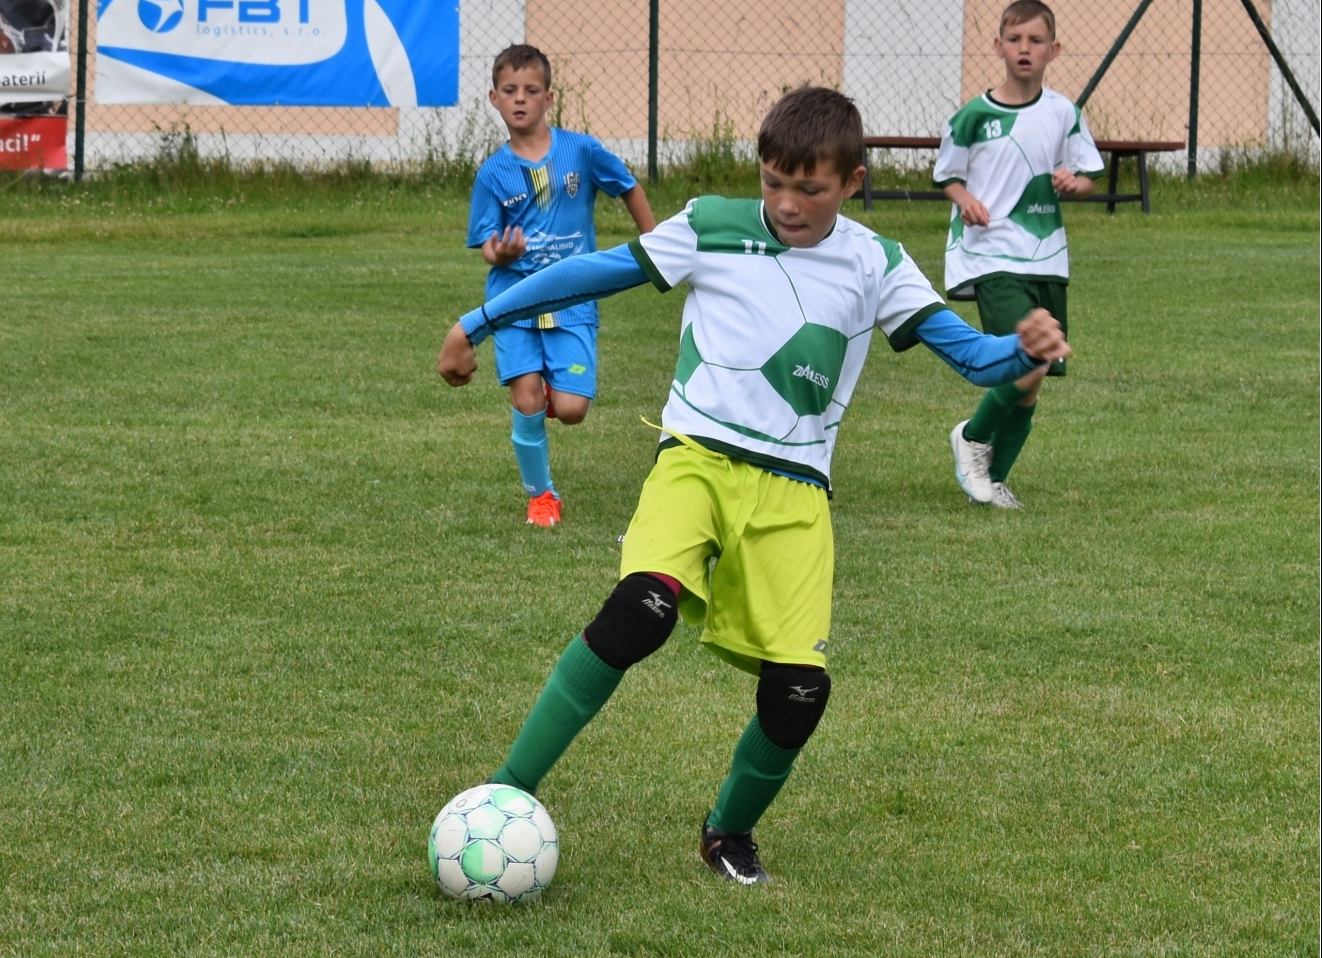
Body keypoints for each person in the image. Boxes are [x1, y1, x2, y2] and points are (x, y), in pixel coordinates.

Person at [436, 86, 1070, 885]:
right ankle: (506, 791)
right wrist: (475, 323)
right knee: (639, 612)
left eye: (811, 188)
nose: (788, 203)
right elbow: (594, 273)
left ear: (853, 182)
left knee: (799, 692)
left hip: (797, 491)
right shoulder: (710, 224)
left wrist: (1023, 350)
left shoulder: (876, 262)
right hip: (695, 459)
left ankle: (728, 832)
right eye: (774, 182)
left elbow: (973, 357)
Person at [467, 44, 655, 527]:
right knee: (526, 399)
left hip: (572, 299)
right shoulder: (493, 173)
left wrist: (655, 242)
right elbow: (487, 243)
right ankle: (542, 496)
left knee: (571, 410)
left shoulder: (581, 151)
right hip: (513, 301)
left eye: (531, 90)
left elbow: (628, 187)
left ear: (549, 98)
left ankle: (548, 390)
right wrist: (500, 253)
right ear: (494, 98)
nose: (520, 99)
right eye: (510, 90)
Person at [940, 0, 1102, 509]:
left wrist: (1074, 183)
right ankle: (971, 436)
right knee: (1029, 358)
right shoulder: (973, 115)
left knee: (1035, 375)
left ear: (1054, 49)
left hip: (1046, 257)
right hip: (992, 256)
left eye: (1035, 40)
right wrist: (965, 199)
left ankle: (993, 481)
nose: (1024, 49)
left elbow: (1088, 177)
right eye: (1014, 40)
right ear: (998, 46)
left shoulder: (1063, 112)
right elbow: (947, 176)